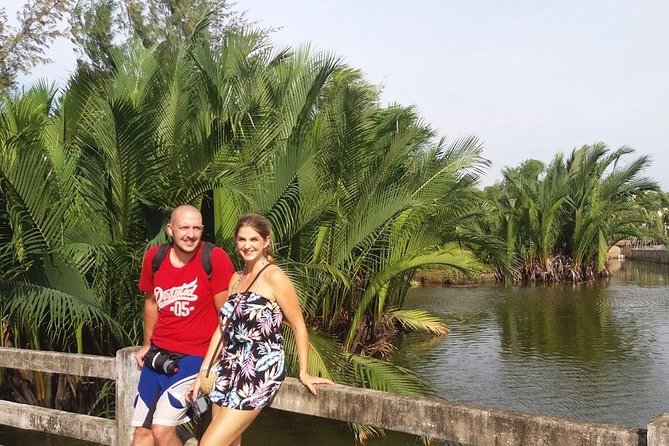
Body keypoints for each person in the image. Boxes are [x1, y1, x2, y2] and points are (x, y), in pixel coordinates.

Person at [188, 213, 333, 446]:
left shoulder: (274, 276)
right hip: (228, 367)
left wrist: (304, 372)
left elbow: (298, 325)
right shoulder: (236, 278)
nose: (247, 246)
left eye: (254, 239)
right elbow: (223, 328)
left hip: (258, 369)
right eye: (242, 240)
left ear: (266, 241)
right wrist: (204, 371)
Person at [132, 204, 235, 446]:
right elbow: (151, 302)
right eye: (184, 228)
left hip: (195, 356)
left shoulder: (214, 259)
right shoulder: (154, 258)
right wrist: (147, 343)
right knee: (142, 434)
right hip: (158, 355)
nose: (190, 234)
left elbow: (226, 316)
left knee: (161, 430)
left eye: (196, 228)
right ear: (170, 229)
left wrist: (213, 363)